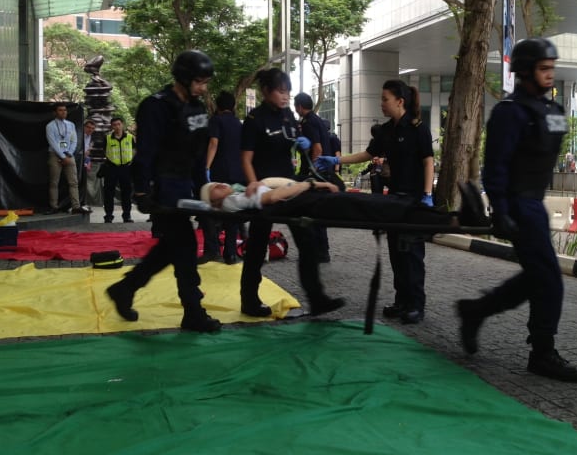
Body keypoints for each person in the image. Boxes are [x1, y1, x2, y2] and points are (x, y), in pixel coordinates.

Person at [454, 37, 577, 382]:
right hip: (519, 204)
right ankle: (542, 353)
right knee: (549, 281)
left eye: (552, 68)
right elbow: (495, 167)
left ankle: (476, 310)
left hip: (535, 203)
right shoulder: (510, 112)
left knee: (537, 277)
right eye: (544, 69)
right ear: (526, 72)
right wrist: (501, 209)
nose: (550, 75)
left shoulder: (552, 111)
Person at [105, 50, 221, 333]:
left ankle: (125, 288)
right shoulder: (156, 106)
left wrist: (204, 186)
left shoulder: (197, 110)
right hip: (162, 185)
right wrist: (142, 191)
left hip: (185, 185)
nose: (203, 88)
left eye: (206, 82)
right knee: (185, 246)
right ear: (182, 78)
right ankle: (193, 311)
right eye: (198, 82)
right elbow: (145, 152)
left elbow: (197, 152)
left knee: (172, 247)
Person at [316, 80, 435, 325]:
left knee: (412, 253)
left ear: (399, 101)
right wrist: (336, 160)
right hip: (393, 198)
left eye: (385, 99)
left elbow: (428, 161)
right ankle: (401, 300)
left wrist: (427, 194)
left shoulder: (418, 128)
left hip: (414, 199)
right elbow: (368, 154)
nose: (381, 104)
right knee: (396, 252)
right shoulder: (386, 131)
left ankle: (415, 304)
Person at [239, 68, 344, 318]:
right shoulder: (255, 119)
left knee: (306, 240)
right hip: (265, 188)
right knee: (257, 244)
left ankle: (317, 298)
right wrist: (254, 184)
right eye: (281, 91)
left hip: (288, 184)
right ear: (267, 91)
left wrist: (302, 144)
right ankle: (249, 300)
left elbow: (294, 142)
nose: (286, 97)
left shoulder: (287, 115)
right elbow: (245, 158)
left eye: (288, 92)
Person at [197, 177, 479, 228]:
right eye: (214, 189)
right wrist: (313, 184)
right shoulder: (231, 203)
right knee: (383, 209)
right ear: (214, 202)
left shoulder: (236, 195)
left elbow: (276, 189)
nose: (219, 185)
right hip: (309, 204)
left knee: (386, 207)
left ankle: (454, 217)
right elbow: (275, 196)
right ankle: (454, 219)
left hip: (310, 200)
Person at [199, 91, 244, 265]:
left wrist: (207, 167)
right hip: (237, 172)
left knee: (210, 211)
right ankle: (230, 253)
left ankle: (212, 248)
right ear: (233, 107)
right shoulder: (239, 124)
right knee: (231, 211)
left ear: (218, 107)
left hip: (220, 171)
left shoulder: (216, 121)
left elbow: (213, 144)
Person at [293, 92, 332, 263]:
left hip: (315, 173)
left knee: (311, 211)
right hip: (323, 171)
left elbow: (317, 149)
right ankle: (321, 250)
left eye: (296, 107)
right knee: (316, 211)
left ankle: (319, 251)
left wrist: (311, 172)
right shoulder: (317, 119)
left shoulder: (308, 122)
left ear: (300, 107)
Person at [44, 103, 90, 215]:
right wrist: (62, 156)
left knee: (73, 182)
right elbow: (52, 143)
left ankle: (76, 206)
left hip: (69, 155)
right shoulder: (50, 126)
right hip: (55, 155)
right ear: (55, 112)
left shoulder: (71, 125)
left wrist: (69, 154)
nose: (63, 112)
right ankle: (54, 207)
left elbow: (74, 140)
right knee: (54, 182)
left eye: (65, 110)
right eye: (60, 110)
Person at [102, 116, 135, 224]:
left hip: (126, 168)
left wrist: (132, 162)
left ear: (123, 125)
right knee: (108, 193)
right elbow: (103, 151)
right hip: (111, 168)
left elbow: (135, 150)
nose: (117, 127)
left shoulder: (130, 137)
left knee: (126, 193)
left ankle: (127, 215)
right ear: (112, 126)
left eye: (119, 124)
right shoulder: (107, 138)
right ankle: (108, 215)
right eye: (114, 125)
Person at [79, 118, 101, 209]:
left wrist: (87, 162)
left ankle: (84, 201)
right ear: (84, 127)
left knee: (84, 181)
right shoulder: (79, 135)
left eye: (92, 128)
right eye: (88, 127)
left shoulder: (91, 138)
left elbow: (88, 152)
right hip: (77, 159)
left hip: (85, 160)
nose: (90, 129)